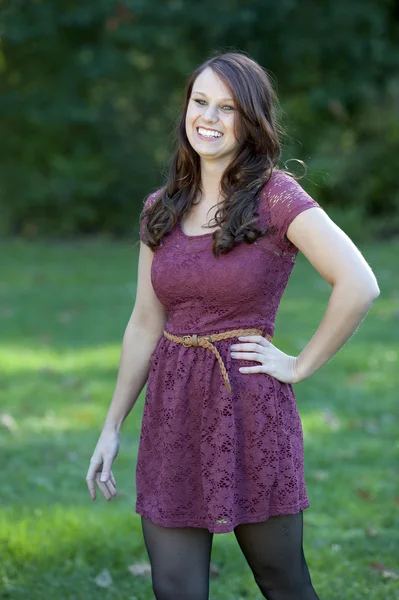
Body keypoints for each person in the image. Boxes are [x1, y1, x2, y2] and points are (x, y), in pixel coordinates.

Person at [86, 51, 380, 600]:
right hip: (173, 410)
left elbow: (359, 284)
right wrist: (111, 426)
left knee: (282, 581)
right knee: (175, 589)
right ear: (186, 110)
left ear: (251, 121)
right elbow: (145, 323)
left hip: (250, 406)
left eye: (228, 108)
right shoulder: (161, 207)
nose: (210, 118)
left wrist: (298, 364)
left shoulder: (276, 197)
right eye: (201, 102)